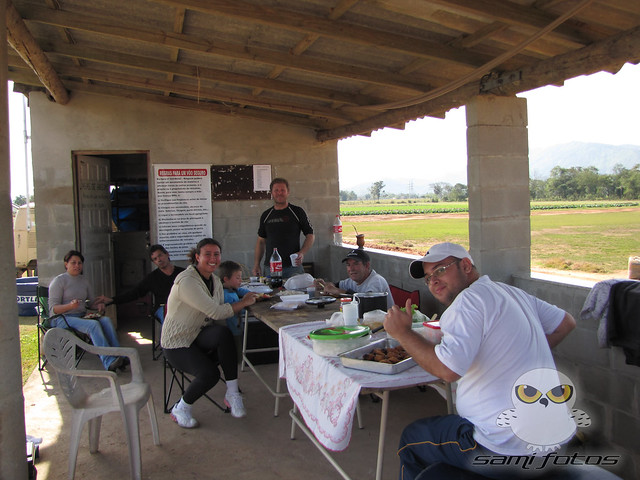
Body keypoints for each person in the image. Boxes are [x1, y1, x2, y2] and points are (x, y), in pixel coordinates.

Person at [384, 242, 577, 479]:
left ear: (465, 265)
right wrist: (514, 354)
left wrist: (402, 333)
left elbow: (447, 371)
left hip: (504, 447)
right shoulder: (510, 292)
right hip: (558, 439)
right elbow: (566, 323)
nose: (433, 281)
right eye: (428, 277)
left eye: (441, 270)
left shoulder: (468, 301)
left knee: (411, 439)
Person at [161, 238, 258, 428]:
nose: (213, 259)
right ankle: (181, 407)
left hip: (197, 334)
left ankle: (232, 393)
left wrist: (243, 299)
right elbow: (215, 311)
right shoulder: (188, 281)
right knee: (210, 374)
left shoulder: (214, 279)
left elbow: (221, 309)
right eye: (207, 254)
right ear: (197, 257)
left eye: (216, 254)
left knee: (223, 334)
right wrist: (243, 303)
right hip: (177, 343)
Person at [48, 250, 126, 372]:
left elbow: (89, 303)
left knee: (106, 320)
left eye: (79, 263)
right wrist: (70, 306)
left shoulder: (84, 280)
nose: (77, 266)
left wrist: (98, 305)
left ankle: (119, 354)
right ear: (66, 264)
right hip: (62, 318)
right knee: (93, 325)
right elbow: (53, 309)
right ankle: (108, 361)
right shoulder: (59, 281)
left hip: (80, 316)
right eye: (73, 263)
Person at [97, 244, 184, 323]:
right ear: (153, 262)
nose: (159, 260)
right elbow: (135, 293)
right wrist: (113, 300)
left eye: (160, 255)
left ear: (167, 254)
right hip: (163, 307)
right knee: (170, 321)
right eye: (155, 259)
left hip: (182, 306)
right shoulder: (152, 278)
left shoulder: (183, 273)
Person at [251, 178, 314, 279]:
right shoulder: (266, 215)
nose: (279, 193)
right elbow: (261, 241)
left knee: (296, 294)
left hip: (293, 267)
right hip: (271, 268)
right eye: (276, 190)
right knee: (271, 294)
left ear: (288, 192)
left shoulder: (297, 212)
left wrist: (302, 253)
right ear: (271, 193)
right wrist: (256, 264)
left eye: (282, 190)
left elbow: (310, 235)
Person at [314, 249, 394, 309]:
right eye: (348, 265)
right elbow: (336, 285)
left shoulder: (376, 281)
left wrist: (339, 291)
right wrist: (327, 285)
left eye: (356, 264)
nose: (351, 269)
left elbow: (367, 303)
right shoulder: (353, 281)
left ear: (367, 265)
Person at [218, 260, 252, 359]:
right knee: (236, 348)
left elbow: (241, 290)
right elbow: (236, 310)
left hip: (237, 326)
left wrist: (250, 294)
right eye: (237, 278)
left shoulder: (231, 289)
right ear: (226, 279)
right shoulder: (226, 296)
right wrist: (245, 303)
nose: (240, 280)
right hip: (233, 328)